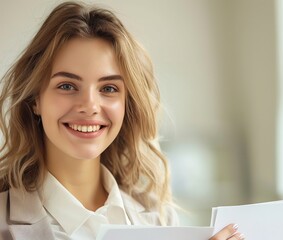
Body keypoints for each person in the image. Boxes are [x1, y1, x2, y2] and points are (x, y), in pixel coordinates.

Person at [0, 1, 245, 240]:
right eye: (67, 85)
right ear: (35, 99)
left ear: (126, 105)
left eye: (108, 88)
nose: (90, 106)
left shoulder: (160, 218)